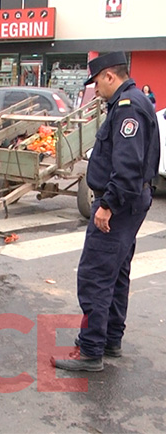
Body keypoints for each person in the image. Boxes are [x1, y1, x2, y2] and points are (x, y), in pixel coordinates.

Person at [51, 52, 160, 372]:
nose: (95, 88)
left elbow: (127, 167)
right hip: (131, 202)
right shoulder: (133, 102)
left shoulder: (128, 107)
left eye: (97, 81)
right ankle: (110, 339)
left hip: (120, 204)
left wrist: (107, 206)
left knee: (95, 275)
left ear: (111, 76)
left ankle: (91, 350)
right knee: (116, 273)